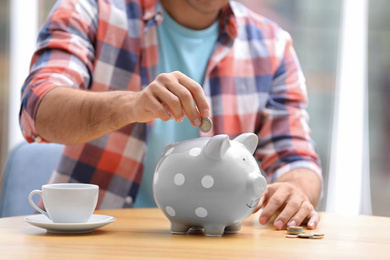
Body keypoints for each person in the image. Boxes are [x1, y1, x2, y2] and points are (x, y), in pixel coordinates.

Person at [20, 0, 322, 230]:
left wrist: (295, 190)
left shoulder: (273, 46)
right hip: (92, 243)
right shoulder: (90, 10)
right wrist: (131, 105)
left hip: (216, 248)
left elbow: (295, 159)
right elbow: (39, 109)